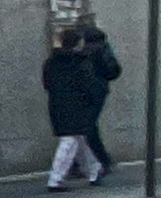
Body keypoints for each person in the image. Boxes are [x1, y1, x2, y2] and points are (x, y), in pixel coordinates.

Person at [41, 26, 105, 189]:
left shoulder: (51, 62)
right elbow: (88, 85)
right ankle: (55, 179)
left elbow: (47, 84)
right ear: (77, 44)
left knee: (78, 140)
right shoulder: (80, 62)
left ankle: (94, 170)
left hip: (57, 105)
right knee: (71, 140)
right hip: (78, 105)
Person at [80, 22, 123, 174]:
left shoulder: (86, 51)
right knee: (88, 127)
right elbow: (114, 71)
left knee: (86, 127)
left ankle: (101, 160)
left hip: (87, 92)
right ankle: (98, 161)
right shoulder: (105, 48)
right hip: (100, 90)